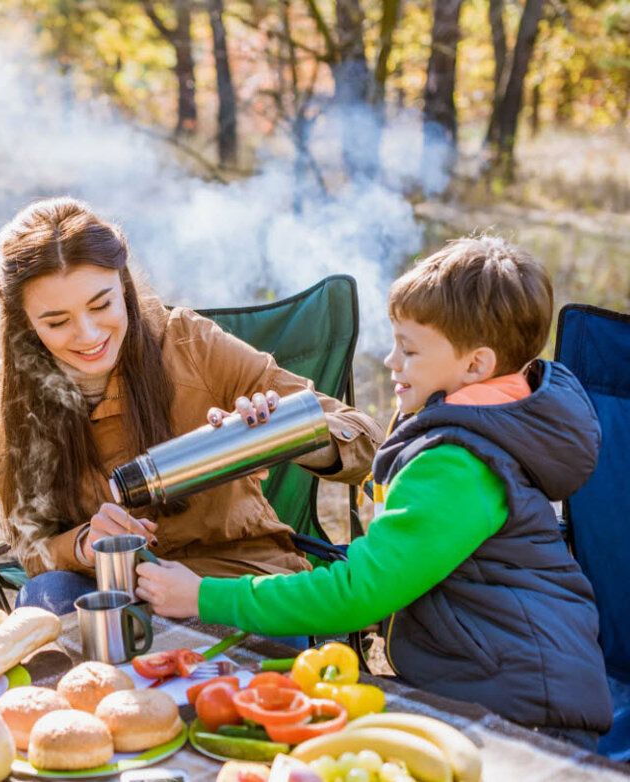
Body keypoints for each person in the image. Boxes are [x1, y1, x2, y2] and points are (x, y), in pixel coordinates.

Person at [137, 237, 613, 748]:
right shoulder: (484, 423)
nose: (390, 361)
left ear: (475, 365)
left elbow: (359, 592)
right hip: (501, 681)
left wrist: (202, 596)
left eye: (409, 349)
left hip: (521, 713)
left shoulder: (459, 463)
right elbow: (403, 516)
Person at [0, 197, 383, 616]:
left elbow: (368, 440)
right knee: (46, 599)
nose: (89, 334)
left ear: (125, 288)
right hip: (117, 587)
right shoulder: (8, 396)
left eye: (102, 305)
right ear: (24, 320)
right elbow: (31, 544)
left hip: (232, 581)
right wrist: (81, 545)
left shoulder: (188, 344)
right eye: (57, 322)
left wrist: (283, 435)